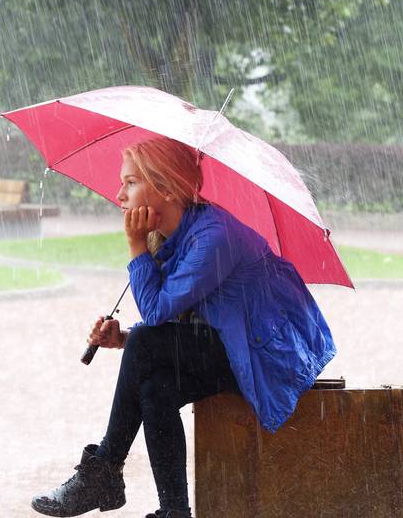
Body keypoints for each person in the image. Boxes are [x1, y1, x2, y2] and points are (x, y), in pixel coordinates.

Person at [31, 137, 336, 518]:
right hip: (232, 346)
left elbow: (157, 314)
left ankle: (105, 471)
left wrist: (136, 245)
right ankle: (173, 512)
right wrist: (123, 339)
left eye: (130, 182)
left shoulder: (214, 237)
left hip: (266, 358)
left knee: (146, 343)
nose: (119, 194)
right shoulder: (182, 237)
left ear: (165, 189)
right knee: (155, 388)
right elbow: (178, 325)